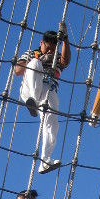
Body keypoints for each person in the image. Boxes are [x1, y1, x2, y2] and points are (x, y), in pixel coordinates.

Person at [15, 24, 71, 174]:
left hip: (48, 91)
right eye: (49, 47)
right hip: (30, 89)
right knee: (35, 64)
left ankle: (45, 161)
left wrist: (65, 38)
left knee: (52, 125)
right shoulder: (32, 53)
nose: (51, 51)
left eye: (54, 48)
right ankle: (32, 101)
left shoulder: (56, 59)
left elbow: (66, 61)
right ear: (42, 43)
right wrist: (37, 57)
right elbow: (18, 71)